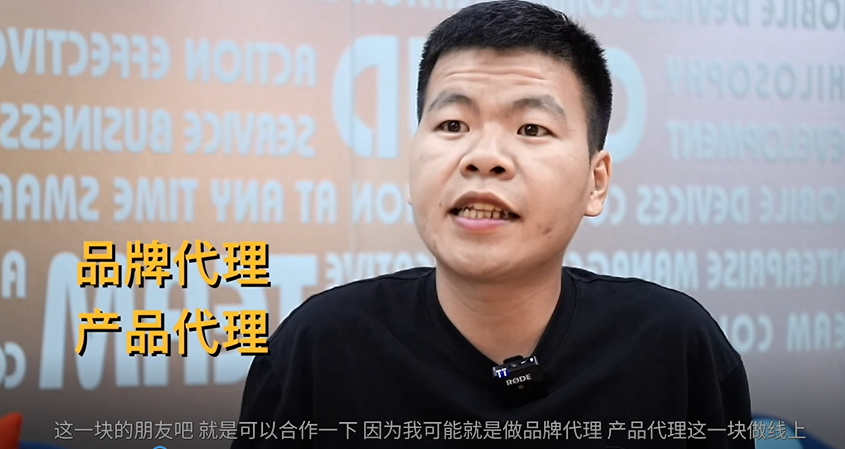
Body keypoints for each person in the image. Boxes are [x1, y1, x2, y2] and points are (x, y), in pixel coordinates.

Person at [231, 1, 754, 447]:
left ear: (595, 182)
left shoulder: (674, 348)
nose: (484, 157)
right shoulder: (320, 349)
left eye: (532, 128)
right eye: (452, 124)